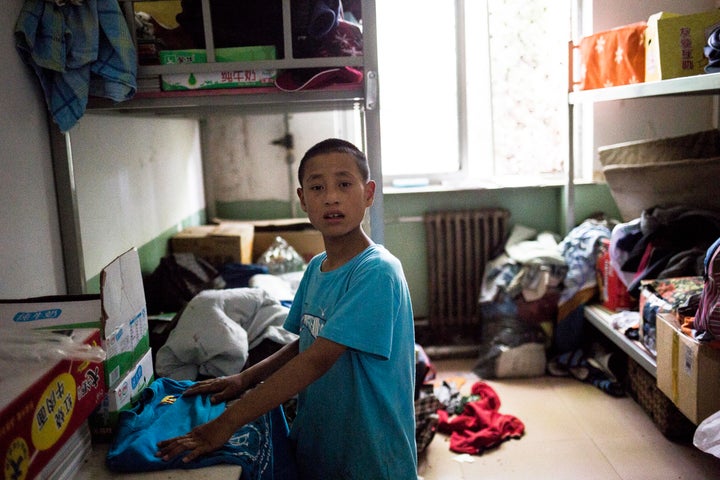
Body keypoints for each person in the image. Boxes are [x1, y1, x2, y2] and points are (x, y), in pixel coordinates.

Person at [156, 138, 418, 479]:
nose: (331, 197)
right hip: (322, 445)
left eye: (343, 184)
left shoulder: (376, 271)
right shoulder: (316, 268)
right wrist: (243, 379)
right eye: (317, 187)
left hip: (371, 455)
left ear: (368, 193)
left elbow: (318, 358)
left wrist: (226, 424)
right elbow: (305, 344)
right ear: (303, 200)